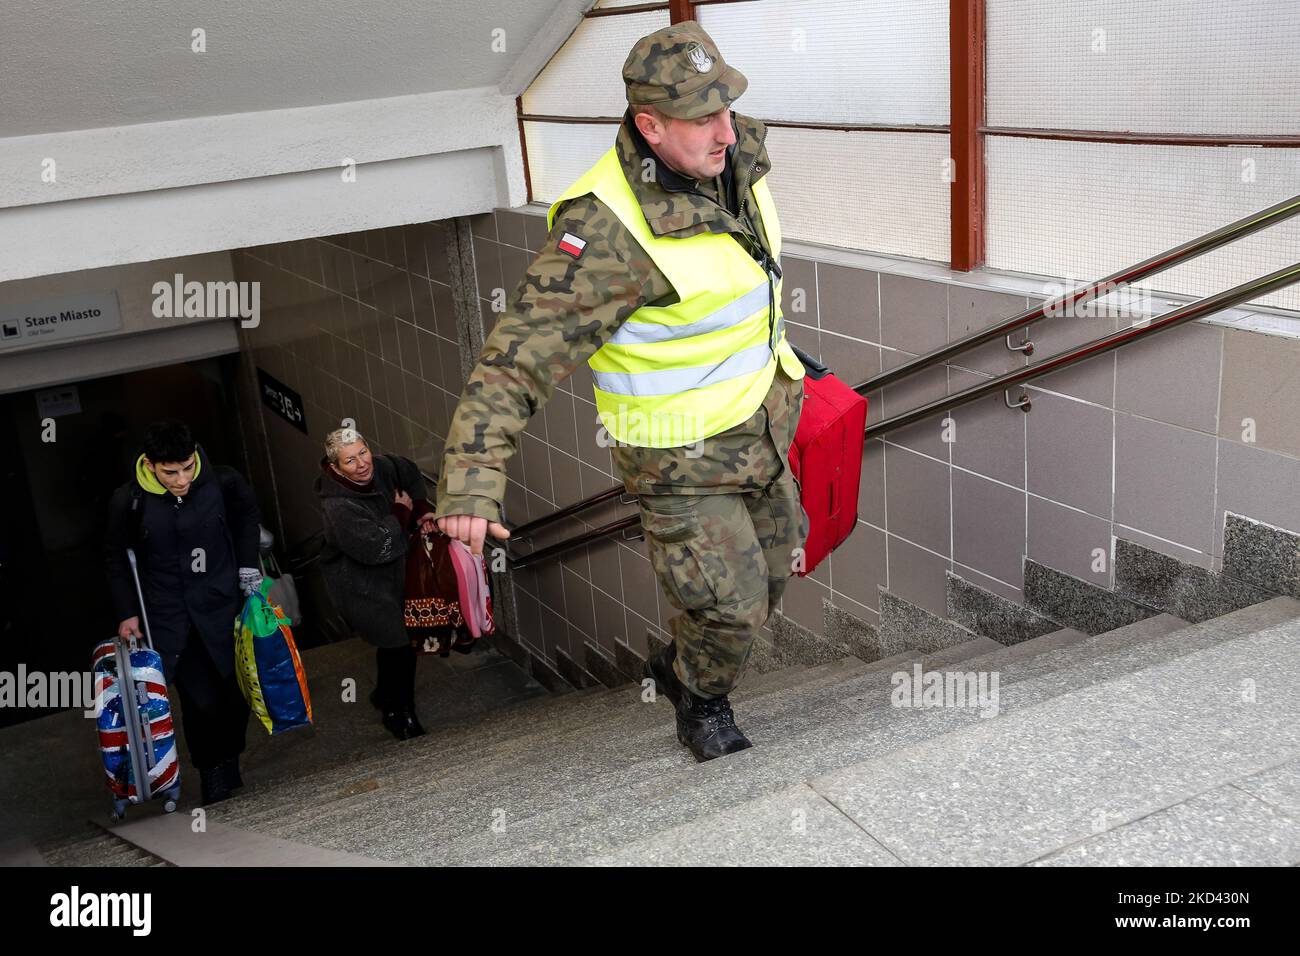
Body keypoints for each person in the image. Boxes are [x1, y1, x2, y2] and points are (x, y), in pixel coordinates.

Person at [435, 21, 807, 762]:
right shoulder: (604, 233)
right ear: (650, 125)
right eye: (703, 117)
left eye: (726, 107)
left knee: (768, 582)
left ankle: (686, 661)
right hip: (679, 460)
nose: (725, 131)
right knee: (728, 608)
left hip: (762, 426)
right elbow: (515, 361)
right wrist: (471, 484)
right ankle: (699, 698)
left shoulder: (737, 156)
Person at [104, 419, 261, 804]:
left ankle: (230, 758)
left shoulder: (222, 483)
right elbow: (114, 558)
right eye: (170, 472)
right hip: (170, 614)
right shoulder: (129, 500)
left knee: (234, 692)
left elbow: (247, 520)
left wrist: (247, 566)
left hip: (222, 605)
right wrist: (127, 612)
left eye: (187, 467)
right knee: (199, 699)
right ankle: (212, 772)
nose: (181, 479)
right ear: (152, 465)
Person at [315, 428, 437, 740]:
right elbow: (375, 548)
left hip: (398, 572)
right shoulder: (337, 507)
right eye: (350, 460)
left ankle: (384, 694)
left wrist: (422, 510)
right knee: (400, 642)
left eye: (363, 453)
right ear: (335, 467)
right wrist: (400, 511)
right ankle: (400, 713)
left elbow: (408, 472)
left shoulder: (384, 466)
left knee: (394, 641)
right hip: (361, 584)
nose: (361, 464)